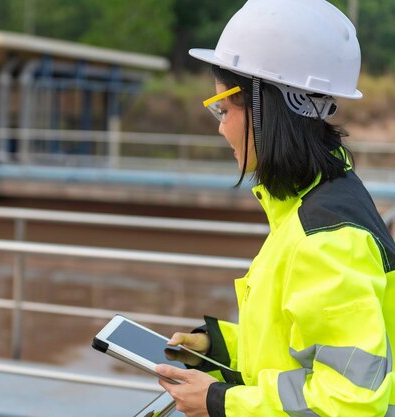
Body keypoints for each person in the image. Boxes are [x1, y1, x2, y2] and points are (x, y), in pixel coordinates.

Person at [153, 0, 395, 416]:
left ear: (268, 108)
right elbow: (300, 343)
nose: (219, 124)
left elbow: (350, 401)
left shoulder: (328, 239)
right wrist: (220, 346)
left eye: (224, 108)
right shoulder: (316, 202)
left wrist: (220, 402)